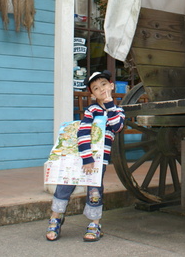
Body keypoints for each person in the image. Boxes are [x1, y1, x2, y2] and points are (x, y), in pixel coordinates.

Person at [45, 70, 125, 242]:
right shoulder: (92, 110)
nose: (101, 89)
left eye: (104, 84)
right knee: (65, 184)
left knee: (95, 190)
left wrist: (110, 104)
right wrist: (87, 158)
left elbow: (117, 126)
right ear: (92, 94)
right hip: (80, 157)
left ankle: (94, 223)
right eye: (96, 88)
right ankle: (55, 218)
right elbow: (83, 132)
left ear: (111, 86)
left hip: (100, 160)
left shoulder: (118, 111)